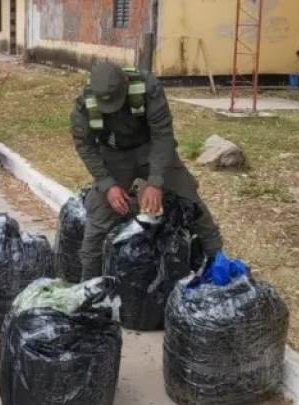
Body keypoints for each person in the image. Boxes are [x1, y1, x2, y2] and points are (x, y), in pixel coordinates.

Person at [69, 62, 223, 280]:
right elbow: (84, 145)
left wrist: (156, 181)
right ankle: (87, 285)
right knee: (99, 218)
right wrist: (107, 184)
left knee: (189, 200)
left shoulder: (148, 88)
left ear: (125, 83)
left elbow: (163, 135)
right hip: (114, 155)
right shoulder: (84, 104)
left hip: (151, 149)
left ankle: (219, 263)